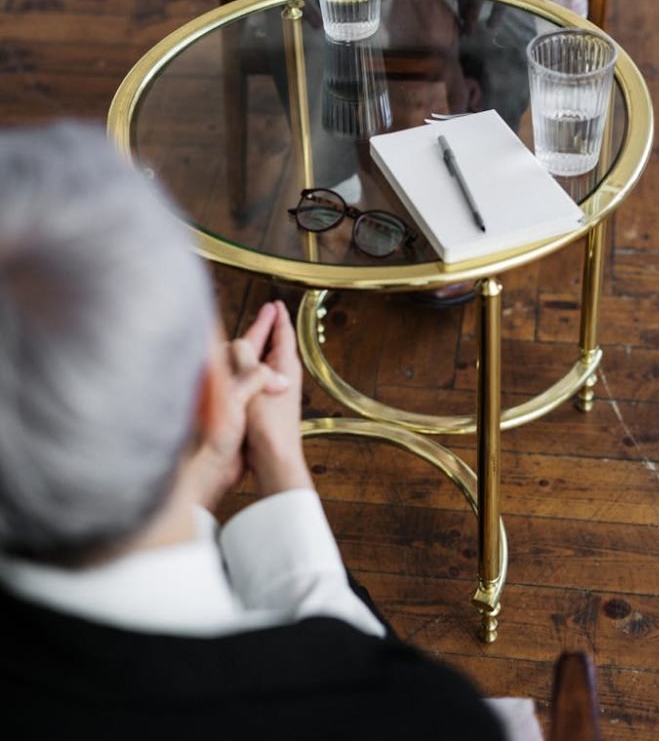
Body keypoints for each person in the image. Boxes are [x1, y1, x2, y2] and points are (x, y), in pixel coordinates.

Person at [0, 121, 544, 739]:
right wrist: (279, 466)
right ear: (209, 399)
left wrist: (206, 480)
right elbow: (352, 672)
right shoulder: (422, 716)